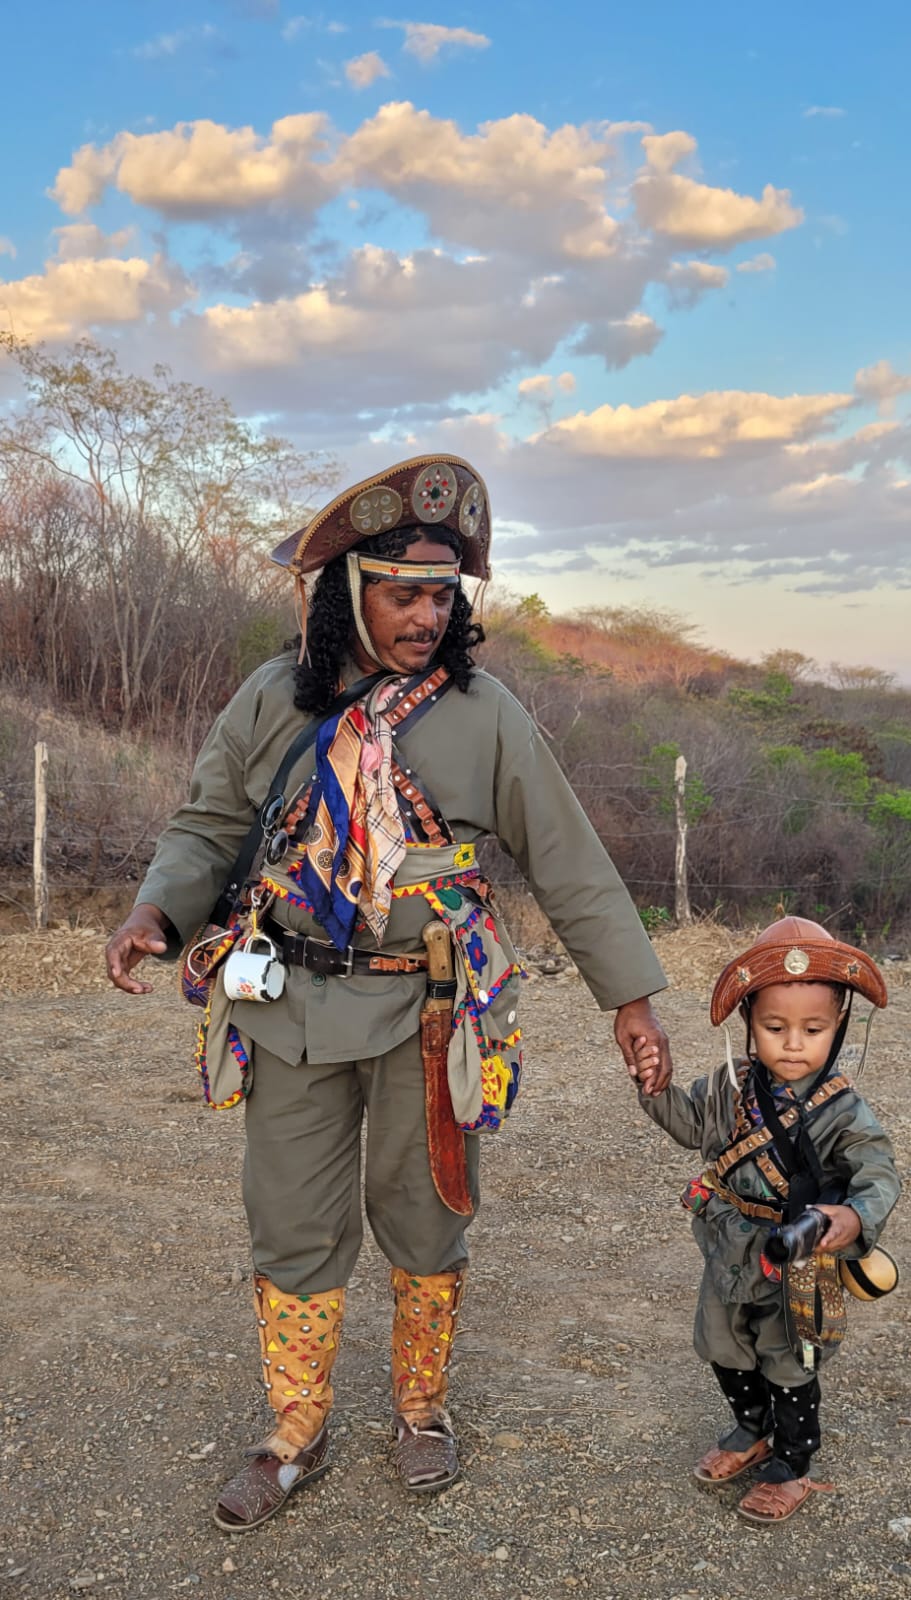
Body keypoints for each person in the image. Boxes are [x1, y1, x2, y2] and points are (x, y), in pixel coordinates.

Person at [105, 454, 672, 1534]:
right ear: (348, 591)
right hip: (290, 1003)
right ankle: (293, 1430)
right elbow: (209, 824)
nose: (426, 617)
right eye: (403, 593)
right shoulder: (274, 697)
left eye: (441, 596)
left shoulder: (485, 713)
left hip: (430, 1009)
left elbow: (567, 858)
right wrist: (154, 911)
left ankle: (420, 1409)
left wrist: (630, 998)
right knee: (290, 1216)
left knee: (426, 1209)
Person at [632, 915, 900, 1525]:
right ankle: (750, 1429)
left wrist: (852, 1217)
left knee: (789, 1359)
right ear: (749, 1022)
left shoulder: (845, 1110)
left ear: (839, 1024)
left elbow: (879, 1174)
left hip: (799, 1259)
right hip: (731, 1244)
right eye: (775, 1027)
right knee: (723, 1343)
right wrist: (654, 1084)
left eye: (813, 1029)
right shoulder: (729, 1088)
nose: (794, 1044)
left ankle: (791, 1464)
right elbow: (689, 1124)